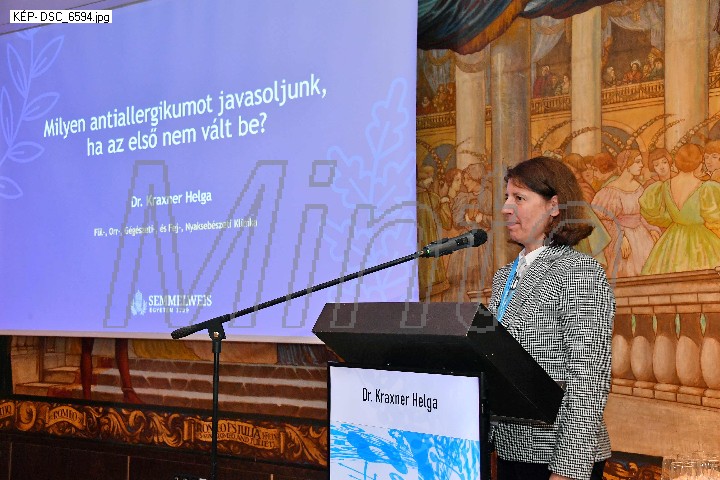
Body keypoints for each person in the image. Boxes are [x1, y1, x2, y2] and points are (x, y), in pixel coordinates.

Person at [488, 156, 614, 480]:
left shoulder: (580, 271)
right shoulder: (504, 276)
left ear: (554, 206)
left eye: (519, 198)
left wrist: (567, 469)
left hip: (558, 457)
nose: (506, 208)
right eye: (506, 197)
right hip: (510, 450)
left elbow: (588, 379)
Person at [639, 143, 720, 274]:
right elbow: (714, 218)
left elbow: (654, 215)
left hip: (671, 240)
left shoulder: (664, 186)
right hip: (700, 240)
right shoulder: (706, 187)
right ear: (698, 163)